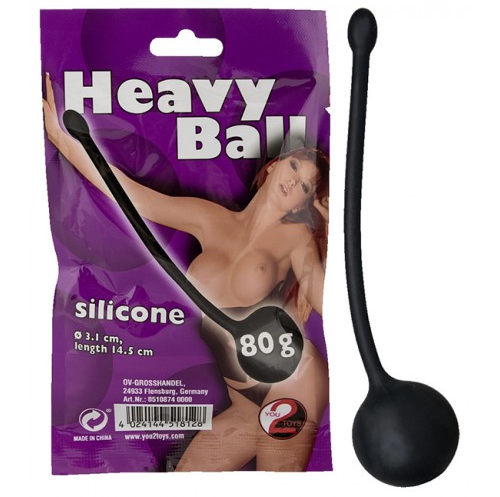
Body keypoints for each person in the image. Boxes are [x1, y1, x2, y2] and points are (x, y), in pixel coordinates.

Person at [43, 73, 330, 471]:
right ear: (273, 166)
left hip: (291, 380)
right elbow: (132, 196)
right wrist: (63, 140)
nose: (295, 180)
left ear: (303, 203)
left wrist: (327, 227)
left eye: (306, 186)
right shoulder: (210, 218)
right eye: (294, 166)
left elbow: (324, 302)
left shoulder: (296, 237)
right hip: (244, 402)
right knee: (186, 477)